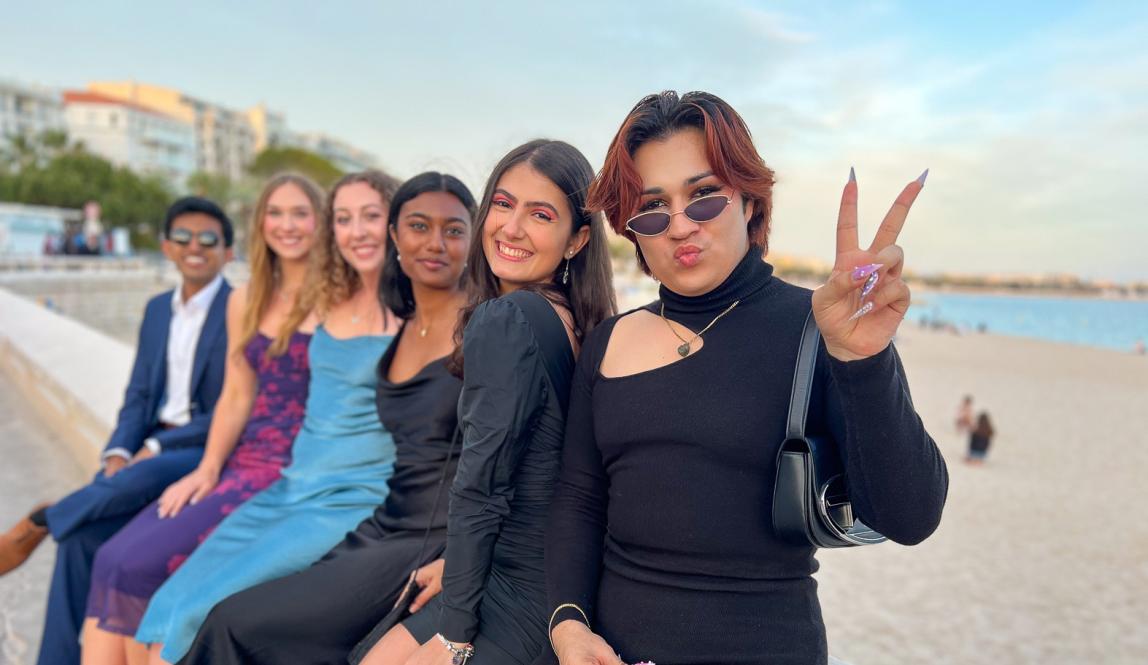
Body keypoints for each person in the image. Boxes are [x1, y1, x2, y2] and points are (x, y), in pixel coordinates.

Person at [545, 91, 949, 665]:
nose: (681, 226)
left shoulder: (818, 326)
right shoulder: (608, 342)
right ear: (631, 230)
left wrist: (863, 361)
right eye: (653, 209)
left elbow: (909, 515)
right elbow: (579, 497)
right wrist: (569, 624)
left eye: (705, 196)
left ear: (750, 203)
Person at [177, 171, 476, 664]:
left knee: (235, 625)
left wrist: (463, 557)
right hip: (385, 523)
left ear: (472, 237)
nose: (436, 243)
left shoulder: (483, 323)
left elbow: (517, 460)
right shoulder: (405, 322)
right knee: (237, 620)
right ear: (396, 236)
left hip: (429, 540)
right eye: (419, 226)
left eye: (454, 229)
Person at [129, 170, 404, 664]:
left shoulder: (412, 312)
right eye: (344, 218)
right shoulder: (333, 299)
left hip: (349, 500)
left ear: (396, 222)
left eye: (371, 216)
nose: (357, 230)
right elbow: (246, 386)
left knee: (195, 618)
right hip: (290, 487)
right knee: (166, 607)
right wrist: (210, 468)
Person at [360, 140, 616, 665]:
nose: (511, 227)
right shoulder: (576, 320)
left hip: (511, 593)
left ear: (577, 239)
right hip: (553, 584)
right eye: (502, 204)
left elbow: (482, 488)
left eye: (540, 214)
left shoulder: (507, 319)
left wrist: (454, 637)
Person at [79, 173, 325, 665]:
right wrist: (207, 469)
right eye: (275, 213)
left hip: (295, 471)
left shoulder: (340, 301)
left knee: (144, 573)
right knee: (112, 559)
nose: (287, 225)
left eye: (300, 213)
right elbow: (237, 395)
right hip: (240, 461)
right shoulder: (246, 299)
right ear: (260, 225)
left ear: (321, 222)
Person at [0, 197, 233, 665]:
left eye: (209, 239)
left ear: (228, 251)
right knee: (81, 542)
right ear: (166, 246)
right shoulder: (155, 310)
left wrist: (154, 445)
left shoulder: (239, 309)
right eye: (183, 237)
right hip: (152, 448)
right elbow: (138, 395)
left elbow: (235, 404)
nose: (195, 247)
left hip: (208, 448)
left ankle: (44, 519)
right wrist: (119, 449)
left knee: (142, 474)